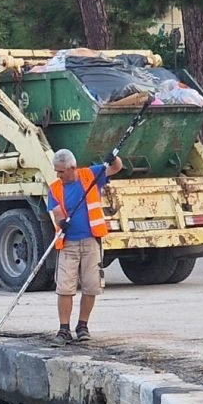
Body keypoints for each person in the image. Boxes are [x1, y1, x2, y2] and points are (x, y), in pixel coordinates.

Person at [47, 148, 124, 347]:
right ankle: (64, 329)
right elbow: (57, 213)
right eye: (56, 171)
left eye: (61, 171)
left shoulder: (91, 174)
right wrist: (62, 222)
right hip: (68, 244)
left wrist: (113, 158)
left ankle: (82, 327)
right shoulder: (55, 188)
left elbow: (116, 167)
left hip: (91, 242)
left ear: (72, 168)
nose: (58, 175)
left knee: (91, 286)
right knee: (64, 287)